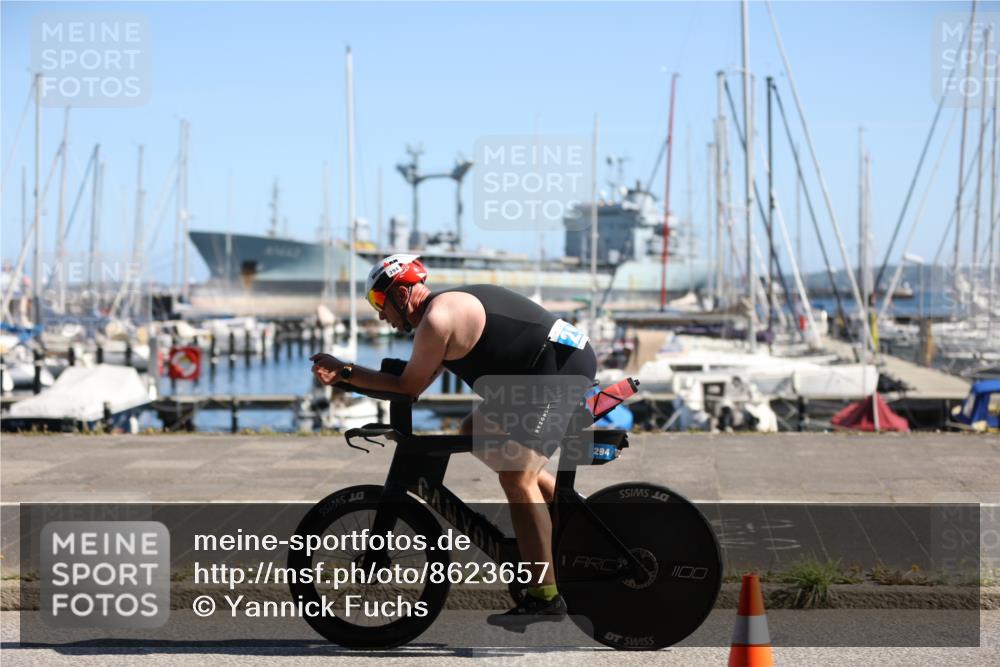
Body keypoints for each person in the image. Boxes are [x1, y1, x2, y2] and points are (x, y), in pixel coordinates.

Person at [311, 253, 597, 629]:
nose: (381, 315)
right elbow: (413, 385)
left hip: (558, 369)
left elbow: (407, 387)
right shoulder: (440, 315)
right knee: (474, 431)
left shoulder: (438, 318)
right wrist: (350, 378)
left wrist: (346, 372)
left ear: (401, 293)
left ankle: (544, 597)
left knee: (517, 476)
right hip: (534, 375)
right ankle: (565, 512)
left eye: (380, 302)